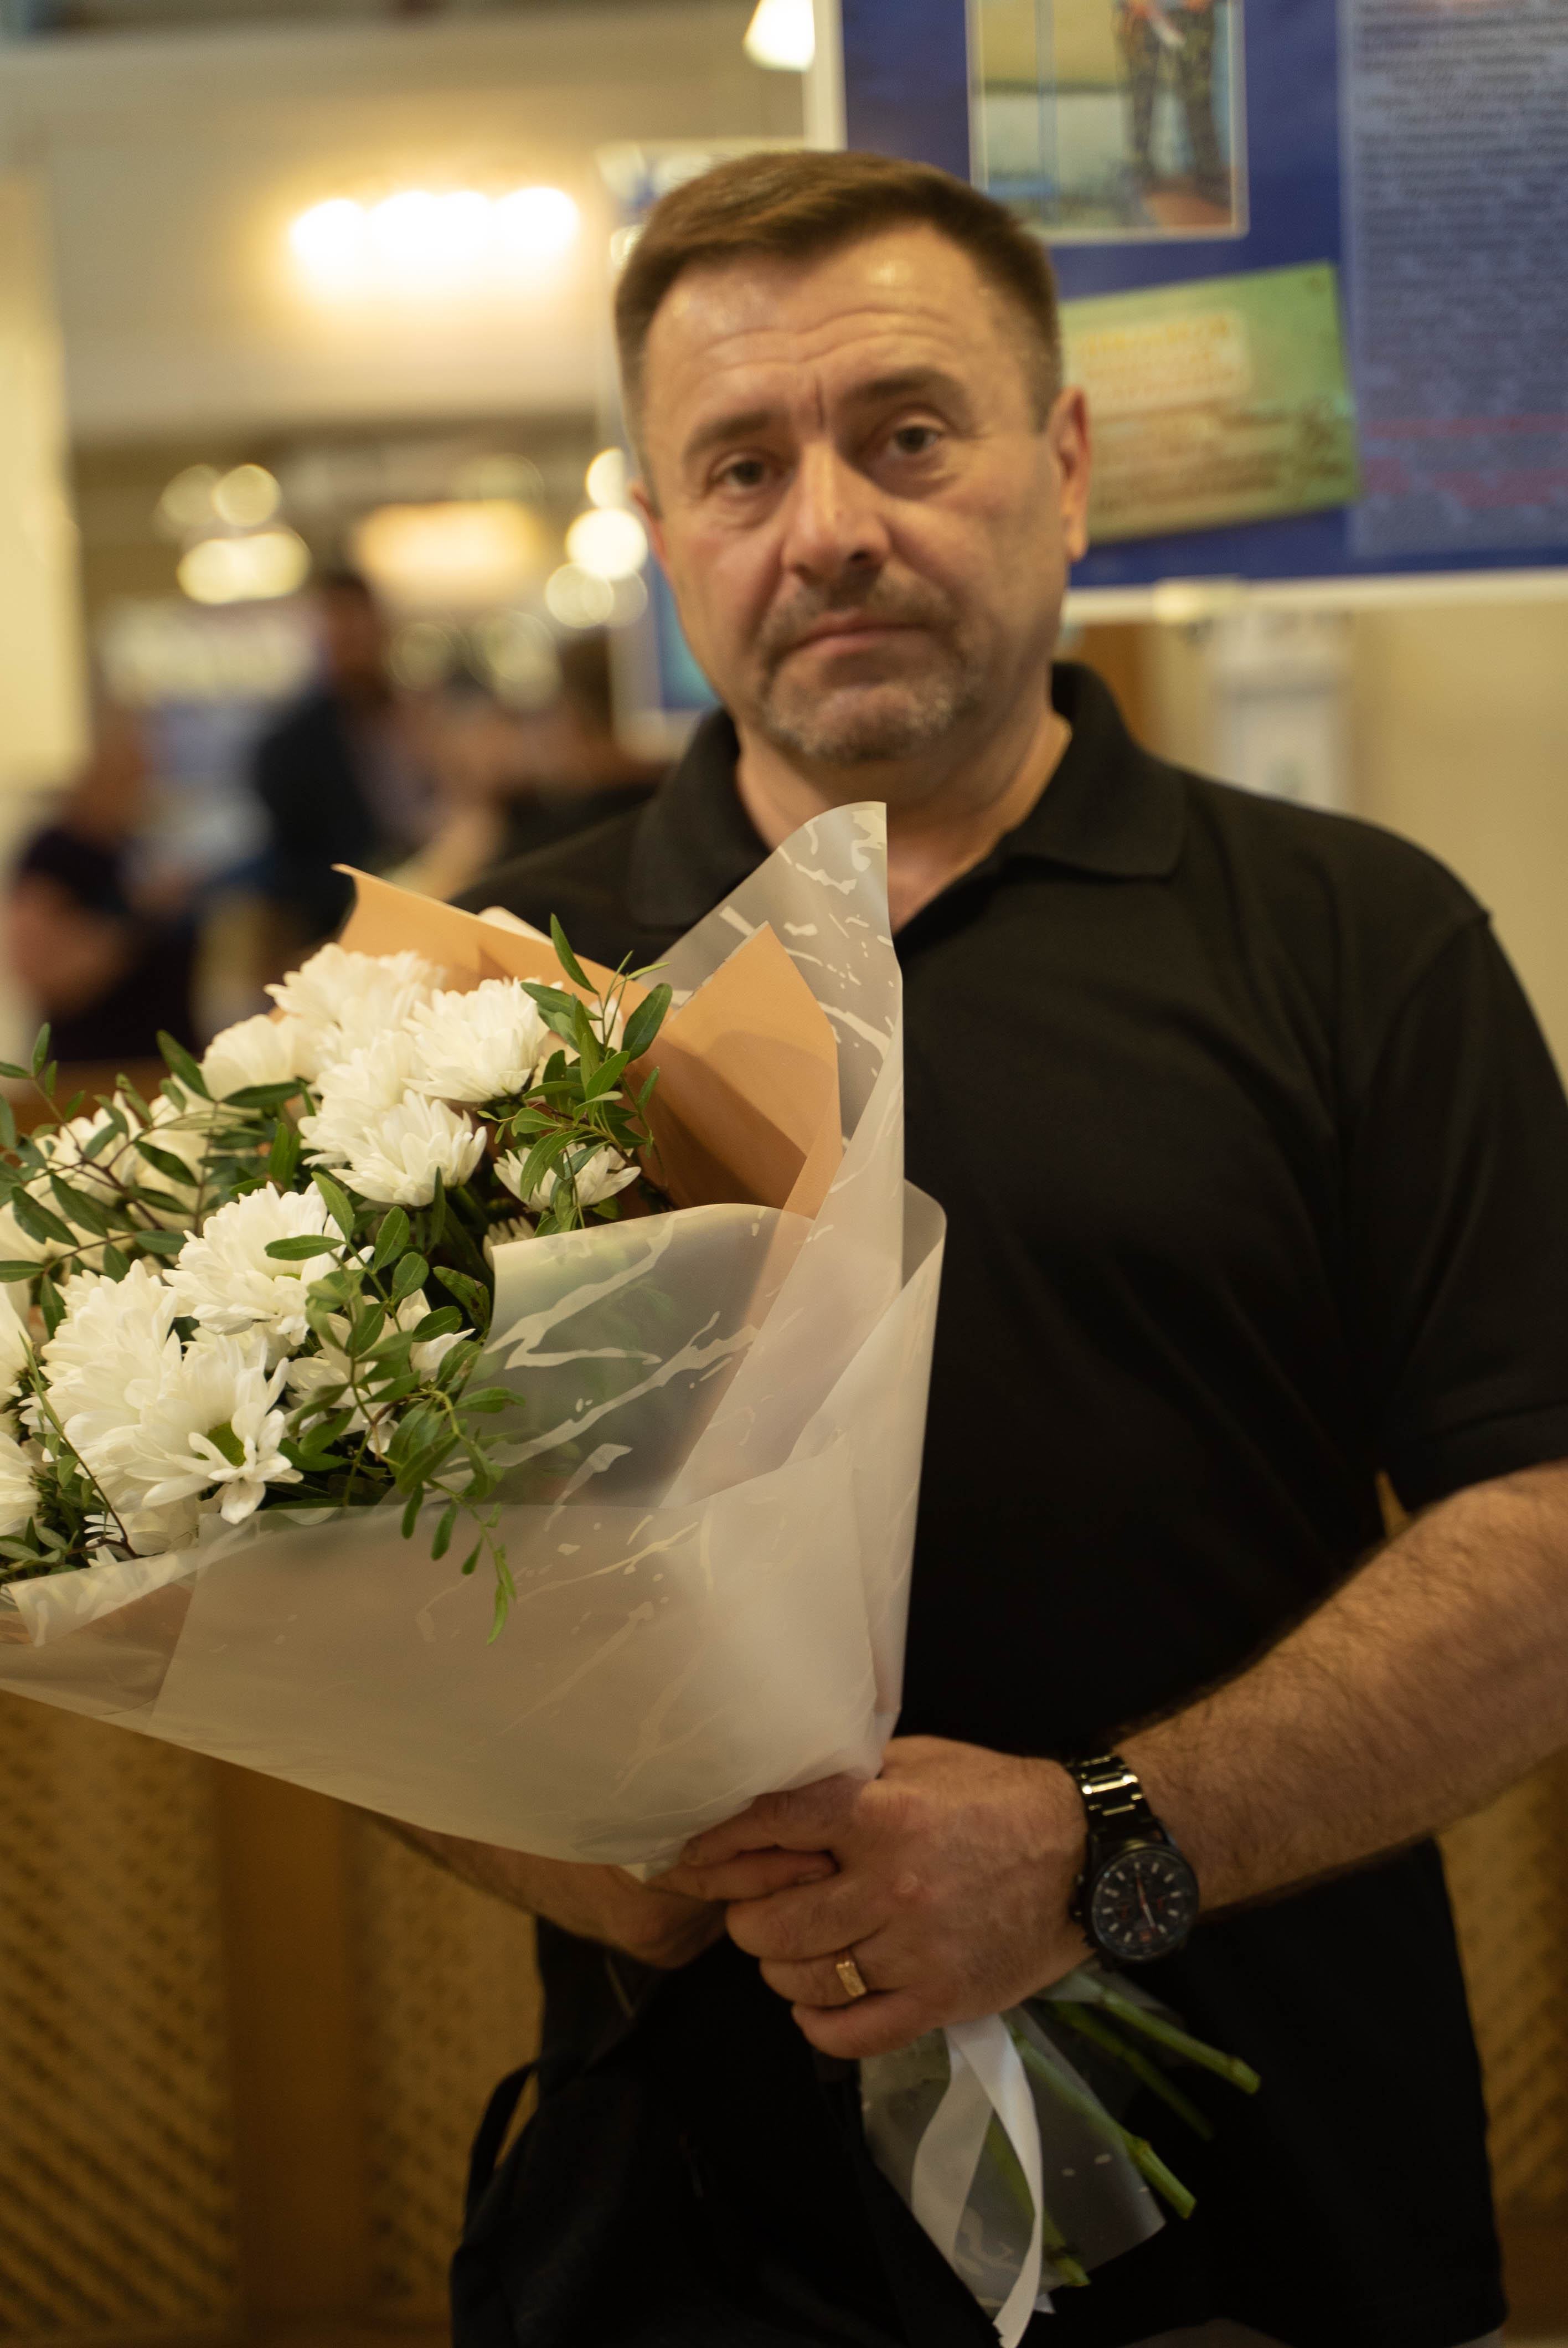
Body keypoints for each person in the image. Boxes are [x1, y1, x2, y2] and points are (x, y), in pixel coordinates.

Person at [408, 151, 1568, 2348]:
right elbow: (319, 1565)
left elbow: (1547, 1521)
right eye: (741, 466)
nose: (828, 524)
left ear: (1067, 465)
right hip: (680, 2231)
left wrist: (1099, 1839)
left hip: (1273, 2208)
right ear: (660, 533)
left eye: (909, 435)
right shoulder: (478, 999)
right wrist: (576, 1849)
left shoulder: (1356, 941)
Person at [251, 568, 436, 952]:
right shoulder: (289, 746)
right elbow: (293, 871)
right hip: (344, 928)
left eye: (362, 627)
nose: (354, 642)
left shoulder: (418, 716)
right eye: (342, 630)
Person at [6, 703, 197, 1067]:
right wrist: (137, 915)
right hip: (94, 1070)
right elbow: (38, 970)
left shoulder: (134, 846)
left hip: (164, 1062)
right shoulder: (54, 853)